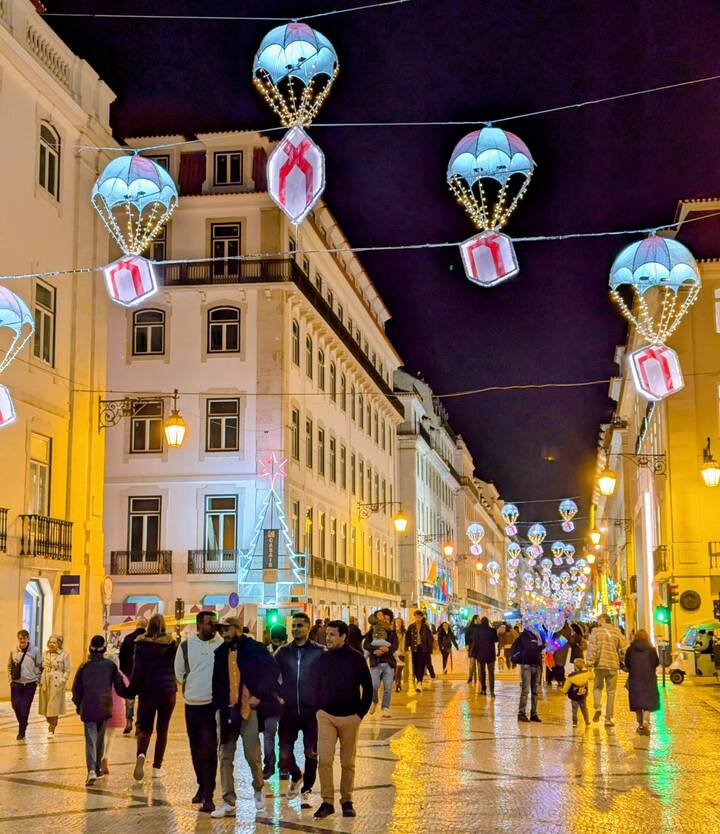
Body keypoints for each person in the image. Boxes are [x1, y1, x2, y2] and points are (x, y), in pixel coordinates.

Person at [211, 616, 279, 818]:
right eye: (221, 630)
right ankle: (227, 800)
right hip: (226, 711)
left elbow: (272, 672)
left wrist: (259, 695)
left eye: (226, 629)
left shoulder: (255, 649)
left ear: (238, 629)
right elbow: (217, 682)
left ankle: (258, 789)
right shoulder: (220, 653)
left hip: (248, 711)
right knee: (225, 756)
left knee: (252, 754)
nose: (223, 633)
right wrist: (217, 708)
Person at [313, 620, 372, 819]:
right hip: (326, 716)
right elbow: (314, 685)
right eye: (326, 634)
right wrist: (318, 709)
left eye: (332, 634)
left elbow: (368, 688)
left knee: (348, 762)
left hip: (350, 718)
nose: (327, 638)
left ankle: (347, 801)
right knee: (325, 760)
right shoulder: (322, 659)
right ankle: (327, 801)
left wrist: (359, 715)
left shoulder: (357, 659)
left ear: (343, 637)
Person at [174, 611, 223, 813]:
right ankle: (201, 785)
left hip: (213, 706)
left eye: (214, 623)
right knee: (196, 749)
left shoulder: (221, 645)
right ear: (198, 626)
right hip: (192, 705)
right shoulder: (185, 646)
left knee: (210, 749)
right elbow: (179, 673)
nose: (213, 627)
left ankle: (209, 795)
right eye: (209, 623)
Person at [274, 612, 324, 801]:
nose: (296, 629)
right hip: (288, 711)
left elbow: (327, 677)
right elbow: (270, 674)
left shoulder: (319, 651)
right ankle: (296, 775)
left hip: (312, 711)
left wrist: (322, 699)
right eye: (293, 626)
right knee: (285, 754)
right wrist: (278, 695)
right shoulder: (283, 652)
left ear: (308, 627)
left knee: (311, 752)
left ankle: (307, 790)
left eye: (300, 625)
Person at [124, 613, 178, 781]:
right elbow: (177, 667)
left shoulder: (140, 644)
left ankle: (141, 755)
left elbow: (137, 670)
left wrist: (131, 691)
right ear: (163, 626)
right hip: (167, 691)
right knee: (163, 730)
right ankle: (156, 767)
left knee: (145, 728)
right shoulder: (171, 643)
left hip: (147, 691)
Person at [71, 635, 125, 786]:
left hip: (88, 706)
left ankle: (91, 771)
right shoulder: (110, 666)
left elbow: (76, 689)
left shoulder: (84, 666)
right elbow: (120, 686)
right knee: (100, 739)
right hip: (104, 706)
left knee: (90, 739)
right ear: (104, 648)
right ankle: (97, 768)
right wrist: (130, 694)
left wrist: (78, 705)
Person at [586, 613, 626, 727]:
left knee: (597, 687)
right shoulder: (616, 631)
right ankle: (608, 719)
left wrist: (589, 662)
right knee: (611, 692)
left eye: (599, 621)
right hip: (613, 665)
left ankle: (598, 707)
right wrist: (622, 660)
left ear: (603, 620)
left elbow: (592, 648)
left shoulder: (596, 632)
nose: (598, 623)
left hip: (600, 664)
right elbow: (623, 648)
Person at [7, 628, 43, 741]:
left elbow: (40, 666)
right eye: (20, 638)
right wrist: (10, 680)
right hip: (16, 684)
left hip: (30, 684)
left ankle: (21, 730)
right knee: (16, 705)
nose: (22, 640)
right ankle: (23, 723)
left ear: (28, 638)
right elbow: (9, 666)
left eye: (24, 638)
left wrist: (37, 679)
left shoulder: (35, 651)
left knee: (25, 707)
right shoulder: (14, 651)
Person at [263, 624, 287, 780]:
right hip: (271, 700)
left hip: (285, 701)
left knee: (283, 735)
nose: (277, 643)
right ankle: (271, 765)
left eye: (279, 640)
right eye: (275, 640)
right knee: (269, 734)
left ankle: (282, 766)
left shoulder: (289, 652)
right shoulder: (265, 653)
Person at [624, 629, 659, 736]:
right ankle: (645, 721)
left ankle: (640, 724)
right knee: (648, 702)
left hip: (635, 678)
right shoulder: (651, 649)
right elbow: (656, 662)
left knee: (637, 702)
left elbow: (627, 663)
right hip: (649, 678)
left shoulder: (630, 649)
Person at [363, 608, 398, 716]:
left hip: (389, 663)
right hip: (376, 662)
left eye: (388, 619)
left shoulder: (392, 632)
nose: (386, 620)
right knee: (374, 685)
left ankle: (385, 707)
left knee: (388, 687)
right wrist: (375, 650)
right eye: (384, 618)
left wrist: (388, 649)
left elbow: (395, 645)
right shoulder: (373, 630)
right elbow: (366, 645)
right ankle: (374, 701)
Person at [38, 634, 71, 739]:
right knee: (45, 706)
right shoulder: (44, 654)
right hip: (45, 681)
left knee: (53, 706)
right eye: (50, 642)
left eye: (54, 642)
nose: (52, 644)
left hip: (56, 682)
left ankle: (52, 727)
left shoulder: (64, 655)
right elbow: (39, 667)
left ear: (58, 644)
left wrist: (63, 680)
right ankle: (51, 722)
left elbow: (67, 669)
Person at [511, 624, 545, 722]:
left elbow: (541, 647)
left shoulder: (539, 636)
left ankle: (534, 714)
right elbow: (527, 648)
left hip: (536, 665)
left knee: (535, 691)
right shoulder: (523, 636)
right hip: (526, 665)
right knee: (525, 690)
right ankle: (521, 713)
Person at [119, 616, 146, 735]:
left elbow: (122, 656)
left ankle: (128, 722)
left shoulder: (128, 638)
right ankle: (139, 725)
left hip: (130, 672)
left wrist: (124, 671)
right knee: (143, 700)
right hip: (145, 674)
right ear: (146, 626)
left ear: (137, 624)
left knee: (129, 698)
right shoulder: (148, 638)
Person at [405, 610, 434, 692]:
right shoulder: (411, 627)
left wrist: (430, 649)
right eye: (416, 616)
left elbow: (430, 639)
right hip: (414, 649)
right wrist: (406, 647)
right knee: (415, 664)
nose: (417, 618)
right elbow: (407, 638)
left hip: (423, 649)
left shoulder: (425, 627)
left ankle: (419, 682)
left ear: (421, 618)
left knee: (421, 665)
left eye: (419, 617)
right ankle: (417, 679)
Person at [470, 617, 498, 696]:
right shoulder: (492, 631)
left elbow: (475, 643)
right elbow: (496, 639)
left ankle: (483, 690)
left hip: (481, 655)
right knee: (491, 673)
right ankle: (492, 691)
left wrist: (473, 653)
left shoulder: (477, 631)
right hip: (490, 655)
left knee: (482, 673)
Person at [562, 657, 592, 727]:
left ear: (575, 666)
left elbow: (566, 686)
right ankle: (587, 721)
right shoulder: (586, 673)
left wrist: (564, 691)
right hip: (583, 695)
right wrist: (589, 670)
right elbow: (593, 676)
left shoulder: (571, 676)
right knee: (584, 708)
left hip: (574, 696)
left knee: (574, 709)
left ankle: (575, 722)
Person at [392, 617, 408, 692]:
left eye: (400, 622)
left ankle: (398, 684)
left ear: (402, 624)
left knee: (399, 670)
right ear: (394, 624)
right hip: (394, 653)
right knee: (396, 670)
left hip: (402, 654)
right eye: (397, 622)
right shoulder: (392, 632)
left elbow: (407, 642)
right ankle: (398, 685)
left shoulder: (405, 632)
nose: (398, 623)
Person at [464, 615, 480, 683]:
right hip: (472, 648)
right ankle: (470, 678)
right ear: (475, 620)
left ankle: (480, 678)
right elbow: (466, 637)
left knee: (480, 666)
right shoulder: (470, 628)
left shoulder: (481, 627)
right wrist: (467, 644)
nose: (479, 620)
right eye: (478, 619)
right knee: (471, 666)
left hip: (480, 649)